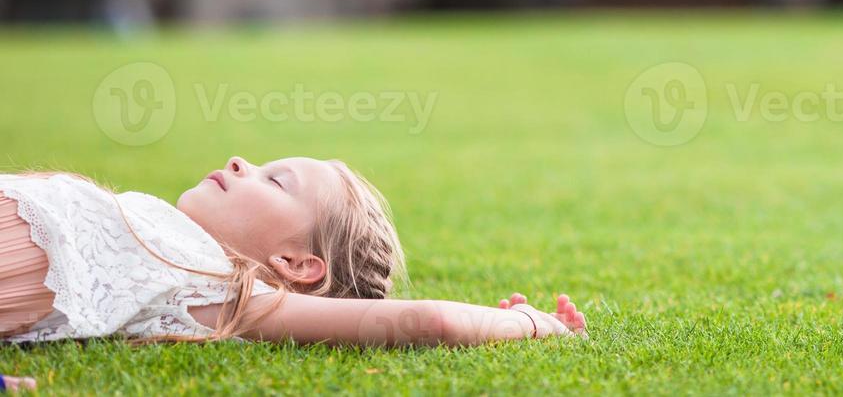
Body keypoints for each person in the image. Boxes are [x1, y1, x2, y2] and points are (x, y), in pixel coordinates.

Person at [0, 157, 586, 385]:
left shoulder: (230, 292)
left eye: (274, 180)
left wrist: (534, 325)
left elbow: (427, 320)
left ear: (297, 266)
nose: (239, 161)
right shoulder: (172, 239)